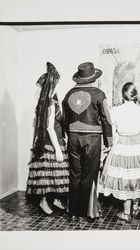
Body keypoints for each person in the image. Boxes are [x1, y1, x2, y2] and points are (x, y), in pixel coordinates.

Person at [99, 82, 140, 222]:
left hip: (123, 144)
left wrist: (109, 148)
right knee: (137, 175)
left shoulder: (116, 111)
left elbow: (113, 133)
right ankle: (135, 208)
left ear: (123, 95)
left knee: (125, 176)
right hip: (139, 143)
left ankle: (127, 213)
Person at [62, 62, 113, 220]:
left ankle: (73, 213)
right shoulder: (99, 94)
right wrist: (109, 142)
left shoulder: (68, 94)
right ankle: (85, 212)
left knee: (75, 175)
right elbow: (106, 120)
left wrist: (69, 136)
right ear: (93, 78)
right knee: (88, 176)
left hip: (73, 138)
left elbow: (64, 120)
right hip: (92, 139)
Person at [26, 62, 69, 214]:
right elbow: (49, 128)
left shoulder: (46, 102)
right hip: (50, 142)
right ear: (51, 85)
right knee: (46, 174)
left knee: (55, 173)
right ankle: (43, 201)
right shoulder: (49, 103)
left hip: (52, 140)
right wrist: (58, 149)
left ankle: (56, 199)